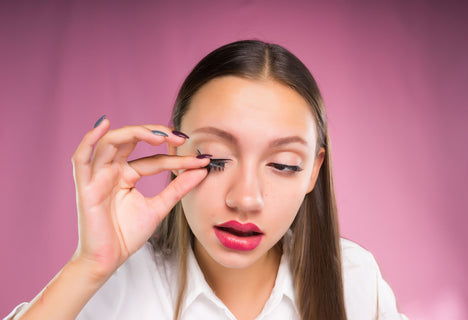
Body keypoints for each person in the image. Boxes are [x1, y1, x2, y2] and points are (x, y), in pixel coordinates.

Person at [5, 40, 408, 320]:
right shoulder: (120, 285)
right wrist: (89, 266)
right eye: (215, 158)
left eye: (283, 164)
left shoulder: (354, 279)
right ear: (176, 152)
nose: (246, 199)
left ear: (313, 172)